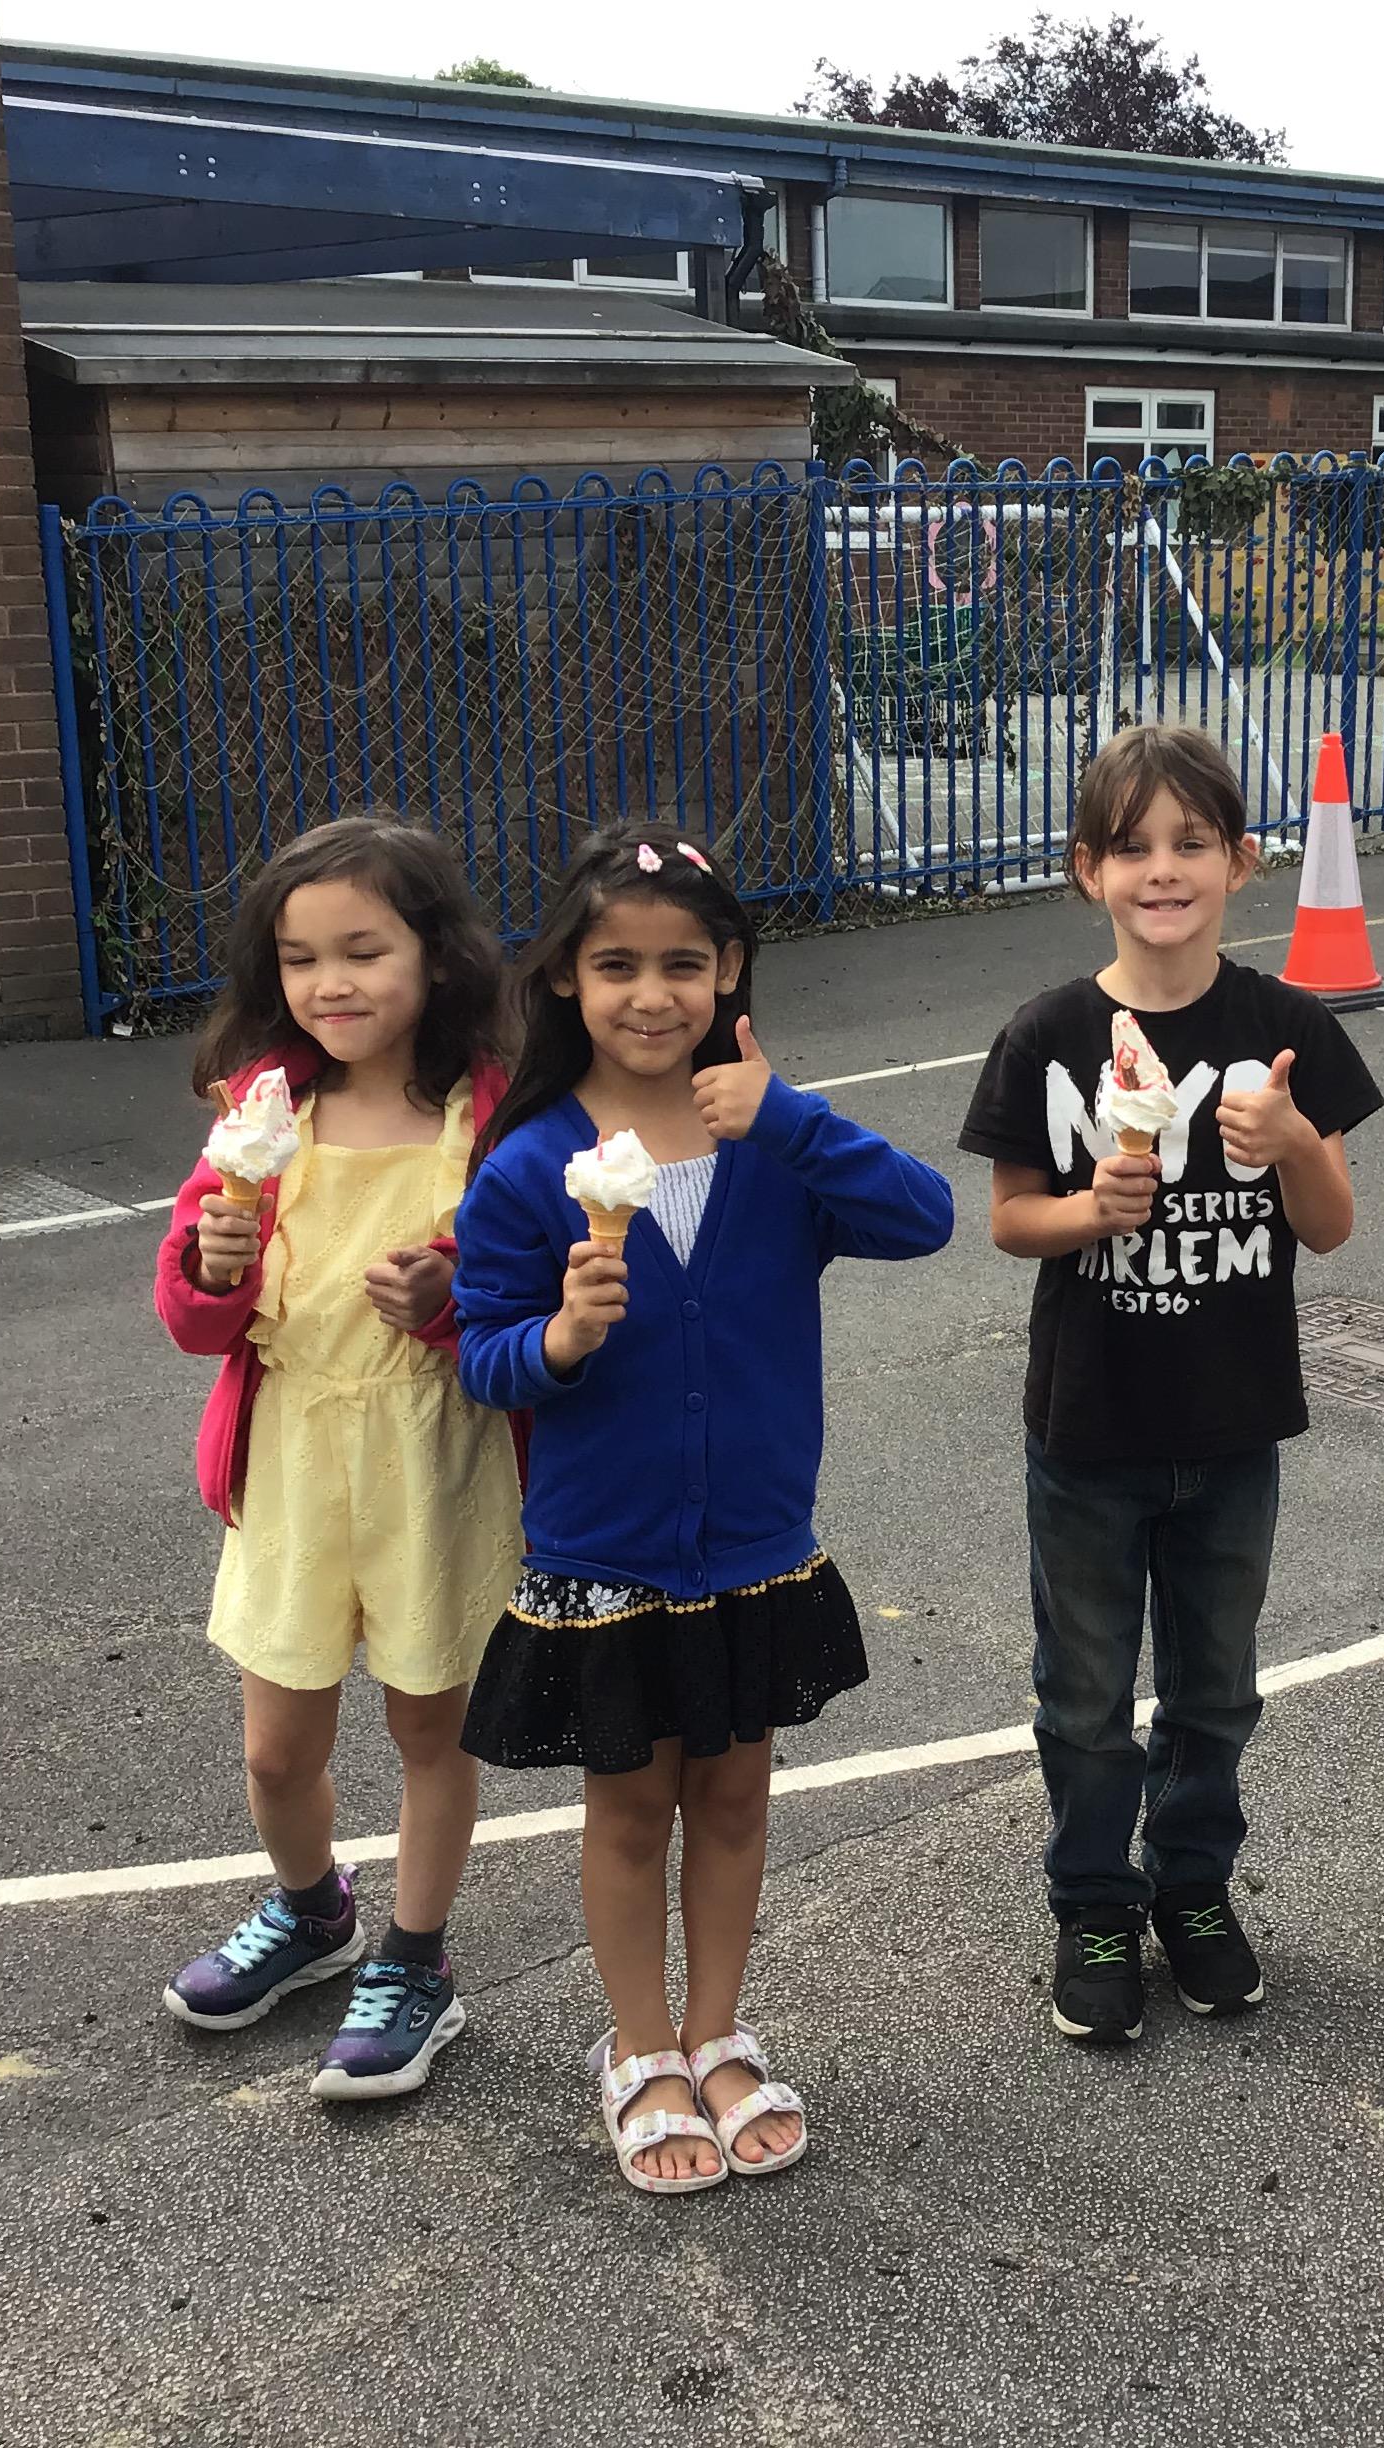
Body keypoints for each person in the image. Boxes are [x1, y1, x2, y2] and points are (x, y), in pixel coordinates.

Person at [452, 826, 953, 2192]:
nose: (650, 994)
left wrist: (786, 1114)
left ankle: (717, 2030)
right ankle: (639, 2048)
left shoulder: (773, 1144)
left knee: (734, 1798)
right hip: (606, 1555)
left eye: (682, 963)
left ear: (728, 969)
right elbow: (480, 1351)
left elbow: (923, 1218)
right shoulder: (529, 1165)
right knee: (630, 1811)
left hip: (753, 1549)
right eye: (616, 965)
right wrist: (558, 1341)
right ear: (566, 978)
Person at [958, 723, 1383, 2047]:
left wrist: (1293, 1138)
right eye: (1132, 846)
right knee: (1084, 1694)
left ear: (1241, 862)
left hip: (1233, 1423)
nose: (1163, 869)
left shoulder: (1283, 1028)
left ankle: (1192, 1884)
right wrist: (1091, 1210)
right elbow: (1009, 1218)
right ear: (1087, 869)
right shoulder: (1050, 1034)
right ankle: (1096, 1901)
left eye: (1191, 843)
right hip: (1087, 1429)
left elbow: (1331, 1227)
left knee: (1216, 1687)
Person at [152, 817, 519, 2100]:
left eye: (364, 950)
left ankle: (417, 1959)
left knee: (430, 1726)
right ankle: (316, 1913)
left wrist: (452, 1297)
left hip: (439, 1458)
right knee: (277, 1746)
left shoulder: (493, 1110)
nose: (332, 983)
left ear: (436, 954)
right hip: (294, 1457)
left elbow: (528, 1289)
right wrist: (212, 1268)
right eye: (302, 959)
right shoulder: (262, 1110)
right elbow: (193, 1315)